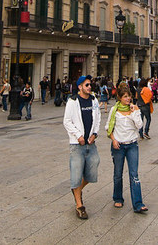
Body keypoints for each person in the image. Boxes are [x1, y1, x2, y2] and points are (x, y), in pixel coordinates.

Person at [63, 75, 100, 219]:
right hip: (77, 144)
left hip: (91, 143)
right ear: (79, 87)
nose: (89, 87)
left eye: (90, 84)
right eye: (86, 85)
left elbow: (97, 119)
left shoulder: (94, 100)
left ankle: (76, 189)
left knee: (92, 172)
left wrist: (94, 134)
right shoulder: (72, 101)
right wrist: (78, 135)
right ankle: (79, 205)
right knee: (77, 173)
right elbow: (67, 121)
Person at [107, 84, 148, 213]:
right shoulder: (114, 110)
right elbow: (108, 127)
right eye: (125, 97)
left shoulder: (134, 109)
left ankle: (138, 203)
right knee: (118, 174)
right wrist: (113, 140)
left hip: (132, 145)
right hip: (118, 145)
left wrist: (135, 111)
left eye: (129, 96)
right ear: (119, 98)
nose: (128, 99)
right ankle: (118, 198)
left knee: (134, 174)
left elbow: (139, 125)